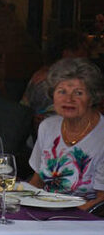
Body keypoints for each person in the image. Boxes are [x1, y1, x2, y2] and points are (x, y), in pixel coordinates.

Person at [28, 57, 104, 208]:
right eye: (62, 91)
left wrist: (66, 216)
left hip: (84, 215)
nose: (69, 99)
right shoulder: (47, 127)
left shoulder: (101, 137)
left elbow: (101, 198)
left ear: (91, 98)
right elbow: (38, 180)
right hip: (46, 209)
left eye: (78, 93)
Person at [21, 29, 88, 125]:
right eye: (82, 52)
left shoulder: (43, 75)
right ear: (67, 53)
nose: (85, 56)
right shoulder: (51, 81)